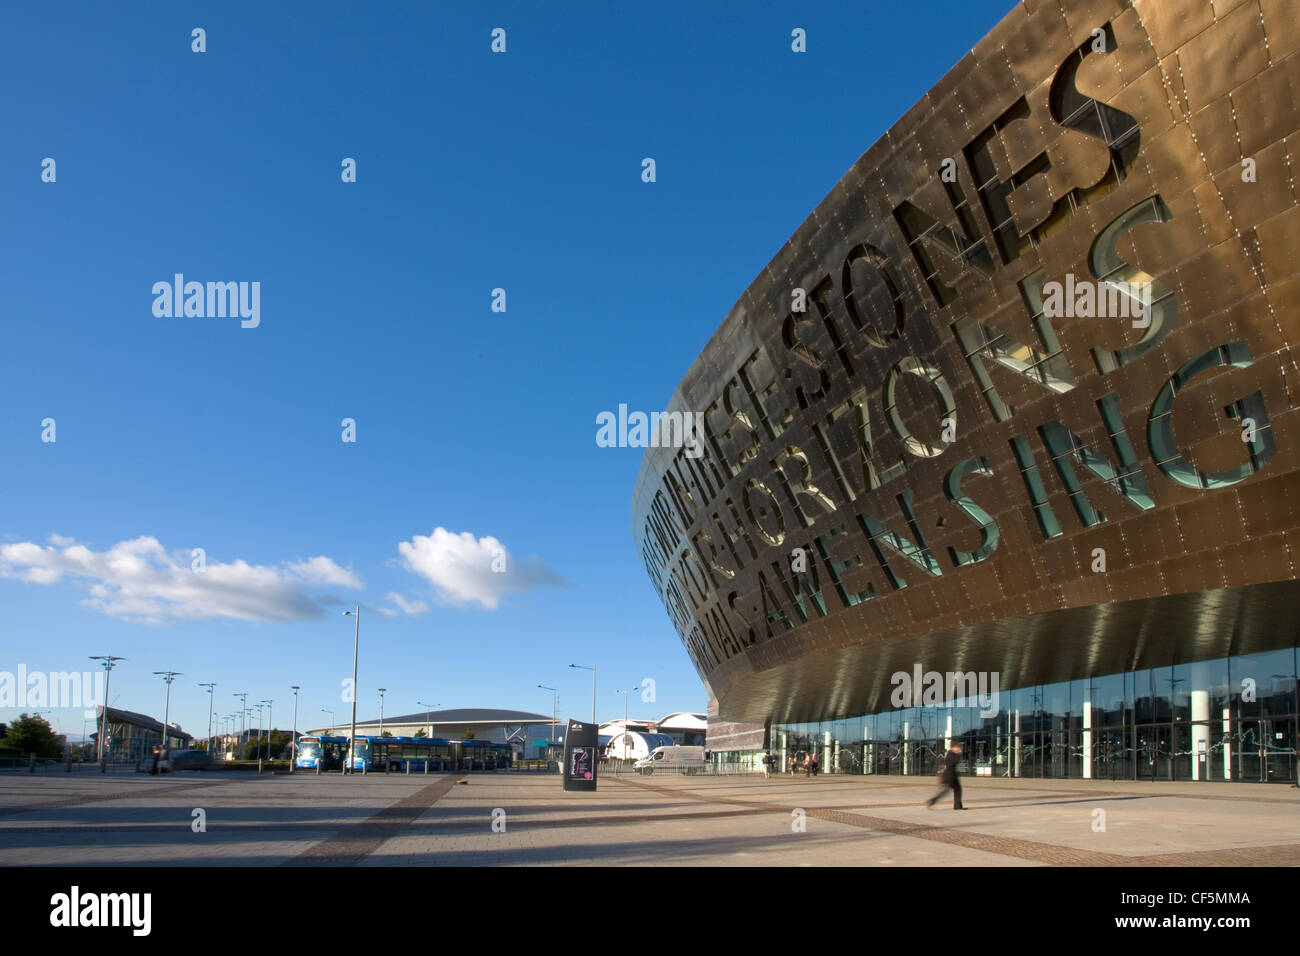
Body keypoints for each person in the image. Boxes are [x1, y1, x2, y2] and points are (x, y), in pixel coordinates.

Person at [927, 742, 965, 810]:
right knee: (948, 790)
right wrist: (959, 754)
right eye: (958, 747)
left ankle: (957, 806)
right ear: (954, 747)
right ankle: (932, 801)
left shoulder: (950, 753)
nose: (959, 748)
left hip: (951, 775)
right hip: (950, 776)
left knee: (957, 790)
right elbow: (954, 762)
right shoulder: (951, 754)